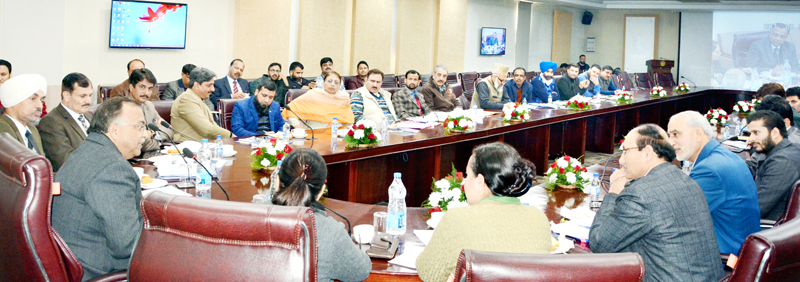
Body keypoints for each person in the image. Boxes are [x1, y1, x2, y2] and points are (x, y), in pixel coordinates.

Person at [589, 124, 724, 282]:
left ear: (647, 153)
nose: (621, 160)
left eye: (625, 151)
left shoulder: (640, 194)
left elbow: (600, 244)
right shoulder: (685, 180)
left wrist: (613, 193)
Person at [416, 142, 552, 282]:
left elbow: (428, 273)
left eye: (468, 175)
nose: (464, 182)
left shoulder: (457, 218)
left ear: (480, 181)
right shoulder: (538, 218)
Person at [51, 97, 148, 280]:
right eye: (140, 127)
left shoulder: (89, 149)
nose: (145, 135)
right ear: (115, 130)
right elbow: (127, 246)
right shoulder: (111, 169)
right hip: (99, 271)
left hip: (77, 260)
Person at [666, 111, 761, 255]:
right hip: (741, 248)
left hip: (724, 258)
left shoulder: (709, 170)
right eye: (669, 135)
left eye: (676, 134)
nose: (671, 142)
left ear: (698, 134)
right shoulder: (723, 155)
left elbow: (674, 218)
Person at [271, 149, 372, 282]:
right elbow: (361, 271)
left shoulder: (250, 217)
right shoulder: (331, 232)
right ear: (321, 191)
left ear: (277, 182)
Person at [744, 110, 800, 220]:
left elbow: (758, 208)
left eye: (756, 133)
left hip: (769, 228)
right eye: (750, 133)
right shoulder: (783, 151)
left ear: (774, 133)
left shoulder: (782, 161)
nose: (750, 139)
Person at [38, 73, 94, 171]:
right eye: (83, 96)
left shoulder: (89, 117)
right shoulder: (51, 122)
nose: (88, 101)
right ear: (66, 95)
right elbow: (66, 162)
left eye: (90, 95)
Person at [171, 67, 233, 141]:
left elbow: (213, 126)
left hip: (205, 145)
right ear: (196, 85)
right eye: (209, 85)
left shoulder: (198, 98)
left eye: (213, 85)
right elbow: (207, 129)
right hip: (188, 147)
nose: (213, 89)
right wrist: (231, 136)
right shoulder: (186, 99)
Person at [283, 71, 354, 129]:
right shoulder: (313, 94)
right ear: (323, 83)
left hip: (336, 135)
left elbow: (349, 120)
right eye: (329, 81)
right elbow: (290, 109)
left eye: (336, 82)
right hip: (315, 133)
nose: (332, 84)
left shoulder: (343, 98)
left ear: (339, 85)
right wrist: (296, 125)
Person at [127, 69, 173, 153]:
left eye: (150, 88)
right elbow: (138, 144)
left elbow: (169, 130)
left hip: (151, 155)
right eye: (142, 87)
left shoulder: (149, 105)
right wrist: (155, 137)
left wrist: (152, 134)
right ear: (131, 87)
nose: (146, 93)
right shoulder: (123, 108)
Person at [0, 74, 46, 155]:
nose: (40, 106)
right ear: (13, 100)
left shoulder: (31, 129)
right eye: (32, 99)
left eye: (42, 100)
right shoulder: (2, 129)